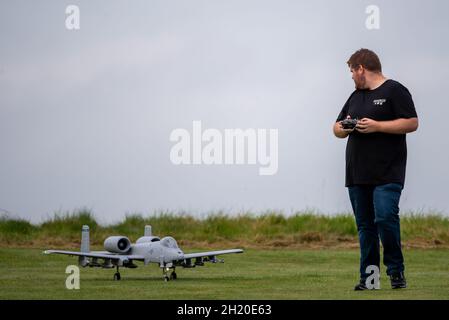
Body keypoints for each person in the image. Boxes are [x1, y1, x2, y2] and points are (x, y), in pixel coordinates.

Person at [333, 48, 418, 290]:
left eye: (352, 70)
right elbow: (335, 128)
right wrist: (346, 127)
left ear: (361, 68)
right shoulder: (355, 96)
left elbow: (412, 122)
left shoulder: (395, 90)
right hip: (357, 173)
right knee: (365, 227)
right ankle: (369, 280)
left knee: (385, 217)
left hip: (387, 172)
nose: (351, 76)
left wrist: (378, 126)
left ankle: (396, 271)